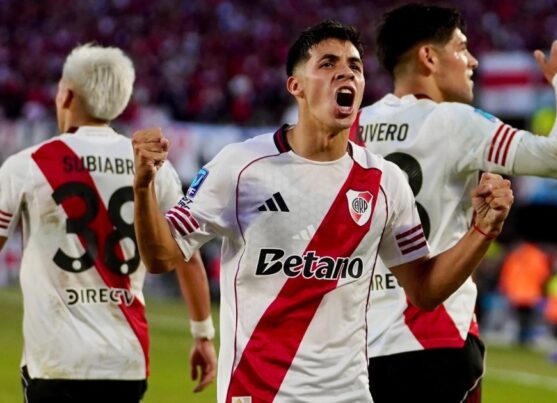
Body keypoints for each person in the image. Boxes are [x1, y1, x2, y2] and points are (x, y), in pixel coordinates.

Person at [131, 20, 514, 403]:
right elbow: (162, 256)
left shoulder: (386, 181)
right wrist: (144, 187)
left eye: (355, 66)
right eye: (328, 63)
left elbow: (425, 291)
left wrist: (482, 232)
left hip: (348, 395)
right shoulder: (241, 166)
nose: (346, 71)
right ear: (295, 86)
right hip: (259, 393)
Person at [356, 3, 557, 401]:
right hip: (435, 339)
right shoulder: (454, 121)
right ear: (429, 57)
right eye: (462, 48)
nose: (473, 61)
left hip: (356, 348)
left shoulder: (351, 129)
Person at [0, 44, 216, 402]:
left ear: (66, 95)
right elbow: (187, 255)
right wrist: (203, 335)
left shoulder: (29, 165)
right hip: (126, 359)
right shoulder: (154, 168)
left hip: (56, 361)